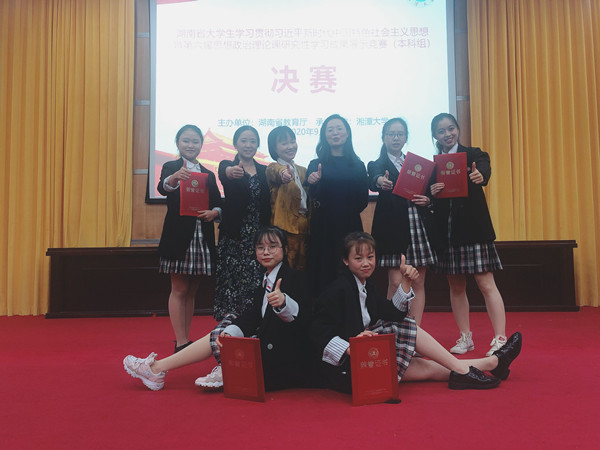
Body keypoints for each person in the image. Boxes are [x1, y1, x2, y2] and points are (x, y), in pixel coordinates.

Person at [310, 232, 522, 393]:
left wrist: (406, 282)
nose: (366, 263)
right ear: (346, 260)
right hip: (343, 368)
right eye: (358, 258)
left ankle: (492, 364)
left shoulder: (365, 286)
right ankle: (471, 370)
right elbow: (317, 331)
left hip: (366, 358)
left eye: (370, 257)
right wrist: (351, 347)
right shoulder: (337, 290)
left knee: (426, 367)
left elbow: (393, 313)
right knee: (408, 329)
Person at [124, 226, 312, 392]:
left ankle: (162, 369)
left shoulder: (294, 278)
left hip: (282, 360)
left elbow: (304, 318)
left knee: (223, 331)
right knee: (227, 327)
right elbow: (252, 316)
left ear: (285, 249)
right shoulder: (265, 279)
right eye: (260, 247)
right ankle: (159, 369)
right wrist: (231, 333)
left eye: (273, 247)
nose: (266, 252)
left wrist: (284, 303)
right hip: (267, 345)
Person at [429, 113, 508, 356]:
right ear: (435, 136)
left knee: (486, 283)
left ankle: (500, 338)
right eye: (441, 131)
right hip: (448, 232)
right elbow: (430, 198)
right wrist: (432, 191)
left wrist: (480, 175)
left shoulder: (474, 154)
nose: (447, 134)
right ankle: (465, 337)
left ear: (458, 129)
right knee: (456, 286)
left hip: (473, 230)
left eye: (451, 128)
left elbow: (484, 169)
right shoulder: (433, 165)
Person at [157, 124, 223, 353]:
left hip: (201, 237)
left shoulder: (208, 173)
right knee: (179, 289)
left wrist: (214, 213)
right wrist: (174, 178)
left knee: (192, 290)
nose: (190, 145)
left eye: (195, 141)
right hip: (178, 237)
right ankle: (181, 340)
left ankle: (185, 339)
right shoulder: (171, 167)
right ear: (178, 143)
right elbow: (163, 187)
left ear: (201, 145)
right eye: (186, 140)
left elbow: (217, 203)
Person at [367, 117, 440, 325]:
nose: (396, 138)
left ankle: (415, 331)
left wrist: (428, 200)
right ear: (383, 137)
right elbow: (374, 178)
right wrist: (380, 181)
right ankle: (392, 329)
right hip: (392, 228)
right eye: (391, 134)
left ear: (406, 137)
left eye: (400, 134)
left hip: (417, 224)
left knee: (418, 282)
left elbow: (430, 191)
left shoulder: (417, 164)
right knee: (396, 282)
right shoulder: (377, 164)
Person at [305, 114, 369, 295]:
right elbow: (311, 195)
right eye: (330, 130)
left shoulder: (358, 165)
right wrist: (313, 181)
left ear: (347, 133)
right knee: (324, 271)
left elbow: (362, 200)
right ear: (324, 136)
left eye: (339, 128)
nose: (335, 133)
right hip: (323, 227)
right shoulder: (315, 164)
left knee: (350, 269)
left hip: (350, 225)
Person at [214, 125, 271, 321]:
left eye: (253, 141)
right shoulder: (226, 165)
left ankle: (254, 322)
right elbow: (226, 173)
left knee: (257, 280)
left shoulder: (264, 170)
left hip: (259, 236)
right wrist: (232, 171)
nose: (248, 145)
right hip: (235, 237)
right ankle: (231, 325)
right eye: (244, 141)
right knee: (233, 282)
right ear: (236, 144)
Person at [265, 126, 309, 271]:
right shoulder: (273, 167)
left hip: (304, 226)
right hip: (284, 229)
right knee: (285, 268)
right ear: (274, 148)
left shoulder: (303, 170)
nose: (290, 146)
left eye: (293, 141)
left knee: (302, 268)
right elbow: (277, 172)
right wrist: (283, 174)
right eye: (284, 143)